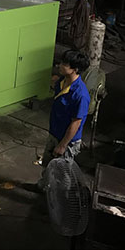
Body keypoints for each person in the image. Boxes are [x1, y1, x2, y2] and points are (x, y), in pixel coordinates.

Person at [37, 49, 90, 190]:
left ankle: (61, 197)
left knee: (62, 173)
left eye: (64, 64)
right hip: (54, 133)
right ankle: (43, 188)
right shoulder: (62, 81)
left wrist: (62, 145)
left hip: (67, 141)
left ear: (75, 69)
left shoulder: (80, 95)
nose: (59, 65)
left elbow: (76, 123)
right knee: (48, 166)